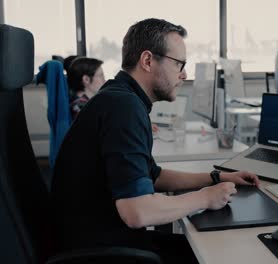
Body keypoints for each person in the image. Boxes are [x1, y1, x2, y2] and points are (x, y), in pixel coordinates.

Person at [51, 18, 259, 263]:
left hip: (103, 239)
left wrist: (217, 178)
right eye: (178, 64)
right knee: (223, 253)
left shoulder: (120, 98)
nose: (184, 74)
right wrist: (205, 197)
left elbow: (152, 175)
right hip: (103, 251)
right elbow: (137, 212)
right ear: (147, 60)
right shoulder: (123, 107)